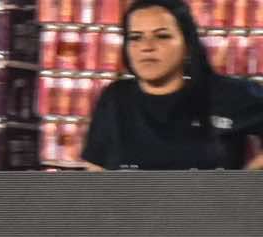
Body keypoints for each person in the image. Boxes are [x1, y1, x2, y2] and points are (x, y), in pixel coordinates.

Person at [82, 0, 263, 171]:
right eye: (135, 37)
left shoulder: (230, 94)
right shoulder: (115, 97)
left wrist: (244, 182)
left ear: (187, 44)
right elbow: (95, 168)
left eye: (162, 36)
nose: (147, 47)